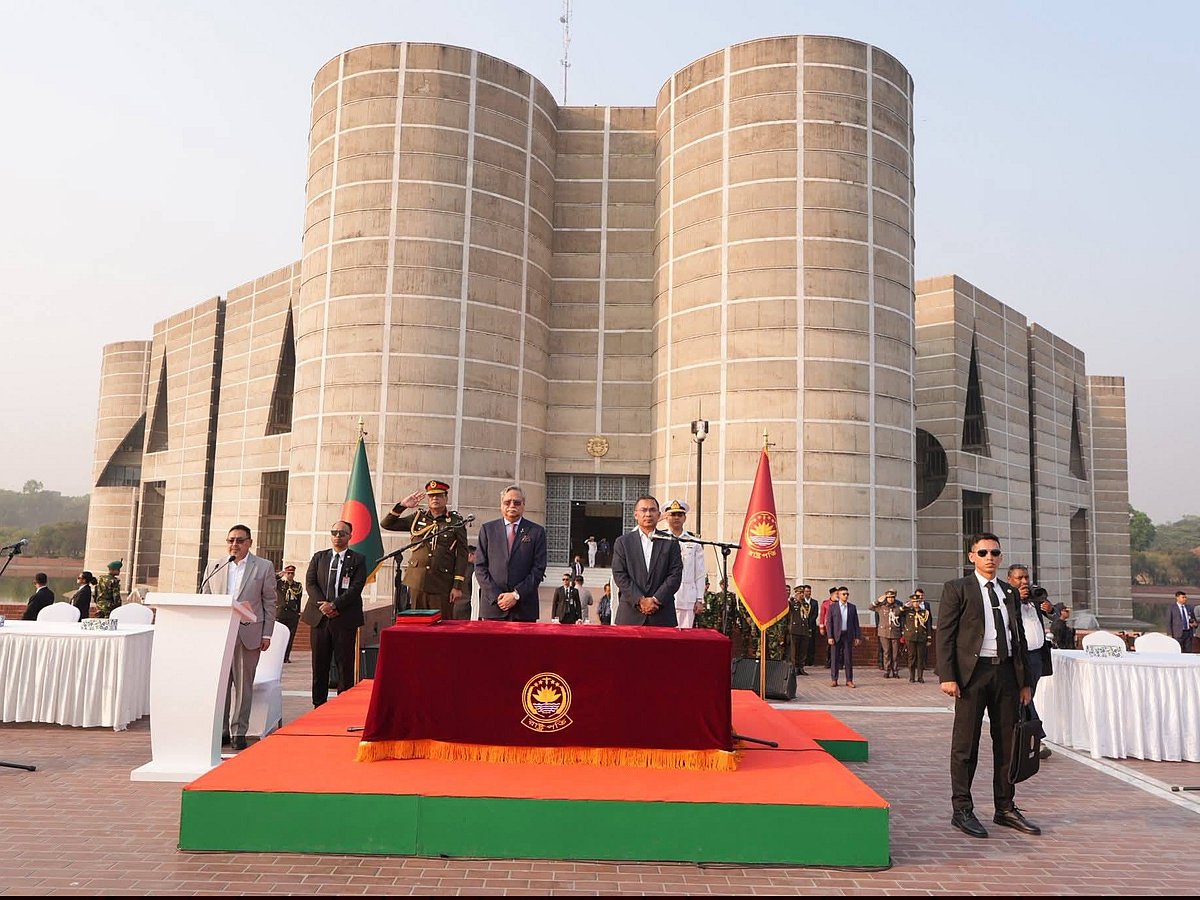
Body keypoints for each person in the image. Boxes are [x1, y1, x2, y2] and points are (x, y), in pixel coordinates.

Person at [936, 532, 1037, 840]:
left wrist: (1024, 682)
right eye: (983, 553)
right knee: (966, 744)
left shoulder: (1008, 592)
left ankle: (1005, 807)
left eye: (994, 553)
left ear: (1001, 558)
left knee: (1007, 744)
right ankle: (962, 809)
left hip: (1006, 674)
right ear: (972, 557)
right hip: (972, 675)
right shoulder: (957, 589)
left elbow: (1017, 637)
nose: (989, 557)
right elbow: (945, 636)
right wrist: (947, 676)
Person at [200, 524, 277, 750]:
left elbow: (269, 602)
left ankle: (239, 731)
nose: (235, 545)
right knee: (221, 685)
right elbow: (206, 599)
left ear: (250, 542)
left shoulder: (263, 567)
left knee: (243, 686)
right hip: (220, 634)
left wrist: (267, 633)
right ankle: (221, 730)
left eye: (240, 540)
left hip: (249, 633)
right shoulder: (215, 566)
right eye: (231, 540)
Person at [381, 479, 470, 620]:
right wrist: (402, 506)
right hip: (417, 582)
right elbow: (387, 524)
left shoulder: (455, 521)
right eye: (431, 496)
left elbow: (462, 555)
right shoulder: (417, 518)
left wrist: (457, 586)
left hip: (442, 583)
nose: (435, 498)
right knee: (417, 624)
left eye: (439, 495)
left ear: (446, 498)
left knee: (442, 626)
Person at [302, 520, 367, 707]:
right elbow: (310, 583)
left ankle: (343, 704)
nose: (338, 536)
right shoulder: (319, 557)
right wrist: (323, 605)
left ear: (350, 536)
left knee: (344, 665)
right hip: (319, 619)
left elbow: (356, 588)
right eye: (335, 532)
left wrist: (334, 605)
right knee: (319, 665)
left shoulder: (358, 559)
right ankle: (318, 705)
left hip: (344, 618)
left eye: (342, 533)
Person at [475, 485, 547, 622]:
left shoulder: (536, 532)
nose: (512, 505)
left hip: (524, 608)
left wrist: (516, 595)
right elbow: (480, 567)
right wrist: (498, 597)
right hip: (494, 607)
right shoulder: (487, 530)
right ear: (501, 505)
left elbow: (538, 569)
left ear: (524, 505)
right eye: (507, 502)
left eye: (517, 502)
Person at [611, 495, 683, 627]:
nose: (648, 514)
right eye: (643, 510)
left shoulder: (670, 542)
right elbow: (620, 575)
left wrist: (656, 599)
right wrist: (640, 600)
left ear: (659, 514)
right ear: (635, 514)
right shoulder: (623, 542)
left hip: (662, 614)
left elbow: (675, 575)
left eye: (652, 510)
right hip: (630, 614)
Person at [1008, 564, 1054, 759]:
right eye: (1019, 578)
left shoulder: (1035, 597)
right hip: (1019, 656)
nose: (1024, 582)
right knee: (1023, 696)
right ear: (1010, 579)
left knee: (1027, 696)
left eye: (1026, 577)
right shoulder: (1007, 597)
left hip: (1036, 656)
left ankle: (1020, 738)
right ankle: (1038, 737)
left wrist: (1049, 609)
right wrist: (1017, 598)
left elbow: (1054, 615)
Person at [661, 499, 705, 628]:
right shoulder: (659, 539)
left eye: (680, 515)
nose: (676, 518)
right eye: (672, 514)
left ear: (685, 518)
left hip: (687, 597)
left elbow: (700, 573)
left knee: (685, 637)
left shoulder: (694, 541)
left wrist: (699, 599)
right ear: (666, 517)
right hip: (665, 596)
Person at [827, 586, 861, 687]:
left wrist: (857, 636)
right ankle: (834, 679)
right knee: (835, 658)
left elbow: (856, 623)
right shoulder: (833, 607)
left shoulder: (852, 607)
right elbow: (829, 623)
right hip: (836, 635)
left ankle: (849, 680)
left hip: (848, 635)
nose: (846, 596)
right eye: (844, 594)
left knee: (848, 659)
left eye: (847, 594)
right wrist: (830, 636)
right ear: (839, 595)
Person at [900, 592, 932, 682]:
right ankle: (912, 676)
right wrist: (905, 606)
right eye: (914, 602)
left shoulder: (925, 612)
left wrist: (929, 638)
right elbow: (898, 613)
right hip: (910, 637)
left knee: (920, 658)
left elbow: (928, 625)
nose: (916, 603)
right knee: (911, 657)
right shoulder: (907, 611)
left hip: (921, 637)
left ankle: (920, 677)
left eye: (917, 601)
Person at [786, 584, 816, 676]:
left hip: (804, 630)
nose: (802, 595)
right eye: (800, 593)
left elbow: (808, 617)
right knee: (793, 651)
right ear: (796, 593)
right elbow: (787, 616)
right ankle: (794, 668)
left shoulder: (806, 605)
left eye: (803, 593)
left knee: (803, 650)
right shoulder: (791, 603)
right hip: (794, 630)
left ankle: (801, 667)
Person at [872, 590, 903, 678]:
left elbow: (903, 613)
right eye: (889, 597)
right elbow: (870, 607)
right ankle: (887, 670)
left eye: (892, 597)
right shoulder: (881, 607)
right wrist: (878, 601)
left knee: (895, 653)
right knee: (886, 653)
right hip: (884, 633)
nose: (890, 599)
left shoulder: (897, 606)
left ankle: (895, 670)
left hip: (895, 632)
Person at [275, 565, 302, 663]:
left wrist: (298, 612)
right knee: (279, 636)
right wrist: (279, 575)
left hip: (292, 613)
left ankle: (286, 657)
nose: (290, 575)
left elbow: (298, 599)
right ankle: (278, 656)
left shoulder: (297, 585)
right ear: (285, 573)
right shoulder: (280, 583)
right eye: (288, 573)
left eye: (292, 573)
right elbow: (270, 580)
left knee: (290, 636)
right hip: (281, 613)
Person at [455, 545, 476, 620]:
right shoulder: (472, 569)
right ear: (470, 555)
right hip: (466, 608)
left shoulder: (455, 568)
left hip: (454, 606)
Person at [818, 587, 837, 668]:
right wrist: (821, 627)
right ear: (832, 594)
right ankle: (828, 662)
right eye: (837, 594)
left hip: (838, 627)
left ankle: (838, 663)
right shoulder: (825, 603)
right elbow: (822, 616)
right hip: (828, 628)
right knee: (829, 646)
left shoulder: (840, 603)